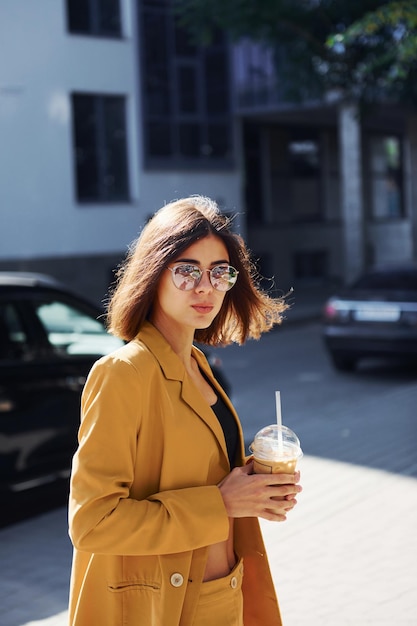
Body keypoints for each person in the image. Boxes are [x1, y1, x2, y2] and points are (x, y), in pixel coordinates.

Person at [68, 195, 302, 626]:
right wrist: (220, 504)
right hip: (164, 608)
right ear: (153, 275)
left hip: (226, 592)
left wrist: (255, 488)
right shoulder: (123, 373)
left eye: (219, 273)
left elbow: (200, 474)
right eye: (187, 271)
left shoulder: (196, 363)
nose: (205, 287)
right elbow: (92, 522)